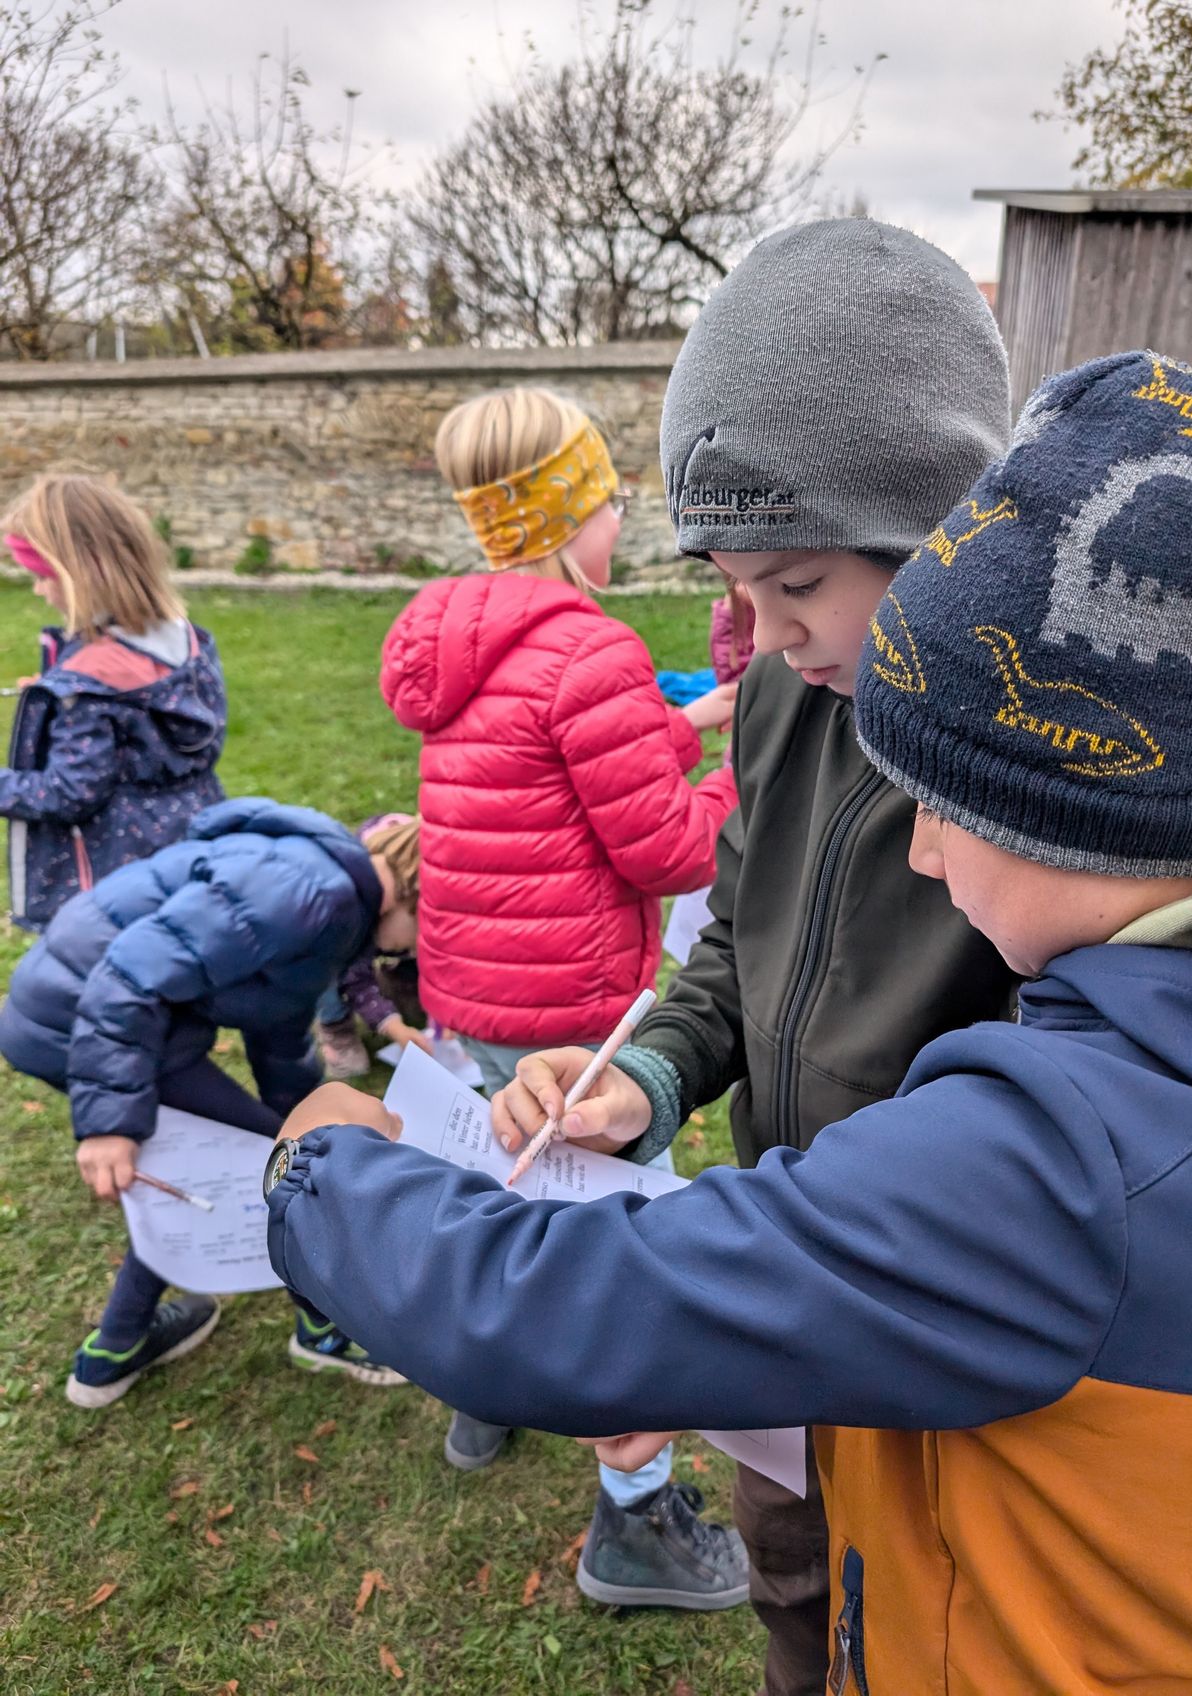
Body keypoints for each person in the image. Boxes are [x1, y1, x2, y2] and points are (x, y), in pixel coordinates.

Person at [267, 350, 1192, 1694]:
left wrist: (315, 1163)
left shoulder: (1078, 1160)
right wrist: (656, 1073)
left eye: (949, 801)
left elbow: (564, 1305)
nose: (921, 854)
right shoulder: (1191, 1029)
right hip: (910, 1483)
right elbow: (733, 944)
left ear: (1084, 798)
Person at [492, 218, 1018, 1682]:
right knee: (796, 1596)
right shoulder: (791, 694)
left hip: (935, 1319)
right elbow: (732, 936)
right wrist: (648, 1078)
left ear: (940, 531)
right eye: (733, 588)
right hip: (786, 1300)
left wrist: (745, 1291)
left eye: (794, 584)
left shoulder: (1044, 763)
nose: (766, 637)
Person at [379, 384, 744, 1606]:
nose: (622, 513)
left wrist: (683, 723)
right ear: (567, 512)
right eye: (607, 494)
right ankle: (633, 1523)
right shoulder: (590, 647)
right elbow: (667, 853)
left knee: (500, 1183)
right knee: (616, 1242)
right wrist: (747, 774)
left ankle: (482, 1396)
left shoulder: (450, 633)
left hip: (477, 995)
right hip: (580, 1011)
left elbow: (553, 770)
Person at [0, 797, 418, 1409]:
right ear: (417, 893)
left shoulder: (336, 898)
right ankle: (320, 1334)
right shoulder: (312, 894)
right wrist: (110, 1123)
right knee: (277, 1175)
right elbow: (129, 978)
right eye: (422, 939)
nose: (404, 957)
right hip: (86, 1021)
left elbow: (278, 1015)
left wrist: (300, 1113)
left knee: (257, 1159)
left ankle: (115, 1349)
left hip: (109, 1019)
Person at [0, 473, 226, 931]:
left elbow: (67, 793)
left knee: (106, 994)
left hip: (110, 892)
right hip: (188, 853)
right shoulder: (184, 639)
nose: (38, 591)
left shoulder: (89, 687)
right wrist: (58, 688)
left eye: (42, 576)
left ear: (81, 572)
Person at [315, 812, 433, 1080]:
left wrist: (446, 1014)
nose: (418, 944)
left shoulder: (410, 899)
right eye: (419, 934)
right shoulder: (345, 917)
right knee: (327, 971)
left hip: (388, 935)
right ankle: (335, 1024)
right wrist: (393, 1028)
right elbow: (354, 976)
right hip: (330, 957)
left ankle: (400, 980)